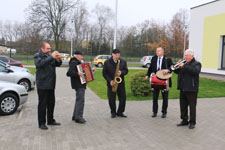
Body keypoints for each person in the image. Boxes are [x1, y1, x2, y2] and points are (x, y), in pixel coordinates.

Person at [34, 42, 62, 130]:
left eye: (50, 49)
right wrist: (52, 57)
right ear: (42, 49)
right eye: (48, 49)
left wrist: (58, 59)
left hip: (51, 84)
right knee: (42, 104)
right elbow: (40, 64)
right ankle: (41, 123)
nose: (49, 50)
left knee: (51, 103)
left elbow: (57, 64)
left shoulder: (49, 56)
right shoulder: (37, 55)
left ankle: (50, 120)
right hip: (42, 85)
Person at [173, 49, 201, 129]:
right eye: (185, 55)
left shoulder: (197, 64)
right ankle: (184, 120)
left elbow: (195, 72)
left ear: (192, 56)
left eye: (187, 56)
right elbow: (177, 72)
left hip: (191, 89)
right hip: (182, 88)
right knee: (183, 105)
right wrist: (177, 65)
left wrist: (184, 66)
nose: (185, 57)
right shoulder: (184, 63)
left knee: (192, 106)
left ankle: (192, 122)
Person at [145, 47, 173, 118]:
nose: (157, 52)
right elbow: (150, 67)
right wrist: (147, 75)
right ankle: (154, 112)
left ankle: (164, 112)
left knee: (165, 98)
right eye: (156, 51)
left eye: (158, 51)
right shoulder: (154, 58)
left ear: (162, 52)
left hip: (164, 80)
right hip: (155, 80)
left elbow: (172, 67)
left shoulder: (167, 60)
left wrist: (168, 70)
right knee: (155, 97)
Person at [102, 49, 128, 118]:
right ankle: (113, 112)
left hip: (120, 83)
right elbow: (104, 73)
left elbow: (126, 70)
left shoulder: (122, 61)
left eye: (118, 55)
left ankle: (120, 112)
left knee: (123, 98)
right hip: (111, 83)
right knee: (111, 99)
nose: (117, 56)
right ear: (112, 54)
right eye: (116, 55)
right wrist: (110, 80)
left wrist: (121, 72)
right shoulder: (107, 62)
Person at [66, 50, 89, 124]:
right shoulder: (74, 62)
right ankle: (79, 117)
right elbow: (69, 73)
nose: (82, 57)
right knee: (80, 100)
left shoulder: (76, 62)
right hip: (78, 84)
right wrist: (78, 73)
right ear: (77, 56)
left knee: (78, 100)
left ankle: (75, 116)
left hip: (80, 83)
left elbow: (83, 72)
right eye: (81, 56)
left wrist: (90, 72)